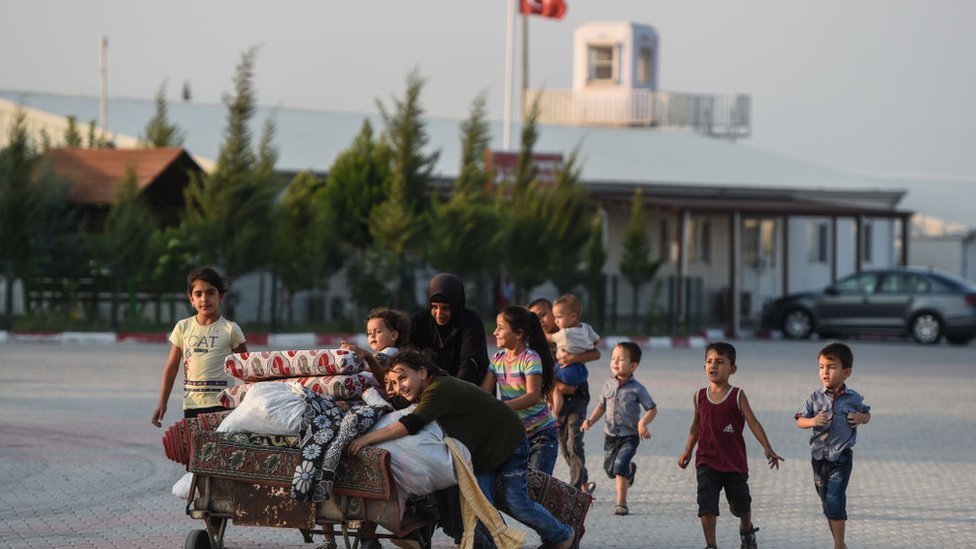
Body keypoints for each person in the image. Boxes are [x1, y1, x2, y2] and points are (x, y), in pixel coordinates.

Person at [347, 351, 576, 549]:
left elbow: (410, 424)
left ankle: (563, 536)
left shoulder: (439, 390)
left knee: (517, 502)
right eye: (394, 383)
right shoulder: (426, 391)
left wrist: (366, 439)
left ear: (423, 373)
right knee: (480, 506)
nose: (399, 387)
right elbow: (393, 407)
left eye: (403, 378)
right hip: (483, 453)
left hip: (508, 441)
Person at [677, 342, 783, 549]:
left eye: (720, 362)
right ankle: (711, 545)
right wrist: (688, 451)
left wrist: (767, 447)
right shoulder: (699, 396)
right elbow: (695, 426)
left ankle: (746, 529)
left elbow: (753, 422)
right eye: (709, 361)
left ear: (732, 369)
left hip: (734, 463)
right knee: (706, 504)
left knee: (740, 506)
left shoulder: (737, 395)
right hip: (706, 461)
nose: (713, 366)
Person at [795, 342, 871, 549]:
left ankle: (838, 544)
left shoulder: (853, 398)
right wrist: (812, 422)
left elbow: (868, 415)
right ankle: (841, 543)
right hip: (818, 458)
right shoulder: (814, 397)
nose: (825, 372)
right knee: (827, 502)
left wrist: (860, 418)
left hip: (841, 458)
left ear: (846, 372)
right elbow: (800, 420)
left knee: (836, 500)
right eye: (821, 367)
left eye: (831, 366)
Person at [151, 267, 247, 427]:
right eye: (198, 294)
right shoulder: (183, 327)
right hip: (192, 404)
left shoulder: (231, 330)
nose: (204, 299)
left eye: (210, 293)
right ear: (191, 299)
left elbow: (246, 370)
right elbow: (172, 368)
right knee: (195, 450)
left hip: (222, 404)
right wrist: (162, 403)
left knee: (218, 450)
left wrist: (250, 404)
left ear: (221, 296)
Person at [481, 305, 560, 475]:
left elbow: (533, 396)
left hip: (542, 436)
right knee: (516, 489)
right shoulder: (497, 359)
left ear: (518, 334)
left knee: (536, 489)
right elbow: (484, 392)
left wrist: (501, 407)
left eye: (500, 328)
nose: (495, 332)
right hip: (516, 436)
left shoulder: (530, 358)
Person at [581, 341, 656, 516]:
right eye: (613, 358)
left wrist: (642, 423)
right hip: (610, 436)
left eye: (620, 359)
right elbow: (600, 406)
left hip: (629, 436)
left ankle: (621, 503)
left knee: (619, 467)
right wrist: (590, 421)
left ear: (633, 365)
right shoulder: (608, 385)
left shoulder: (638, 388)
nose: (615, 362)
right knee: (610, 470)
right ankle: (630, 471)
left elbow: (652, 408)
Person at [409, 273, 489, 386]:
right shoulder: (421, 320)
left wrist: (453, 391)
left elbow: (470, 362)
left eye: (445, 308)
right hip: (431, 388)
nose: (439, 314)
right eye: (434, 307)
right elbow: (404, 348)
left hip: (469, 388)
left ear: (456, 305)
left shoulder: (471, 321)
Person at [548, 294, 600, 421]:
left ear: (573, 316)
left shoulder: (564, 333)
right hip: (581, 371)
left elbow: (549, 338)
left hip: (565, 369)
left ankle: (555, 412)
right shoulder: (586, 328)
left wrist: (539, 332)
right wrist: (582, 345)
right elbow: (596, 341)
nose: (556, 321)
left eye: (558, 317)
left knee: (552, 384)